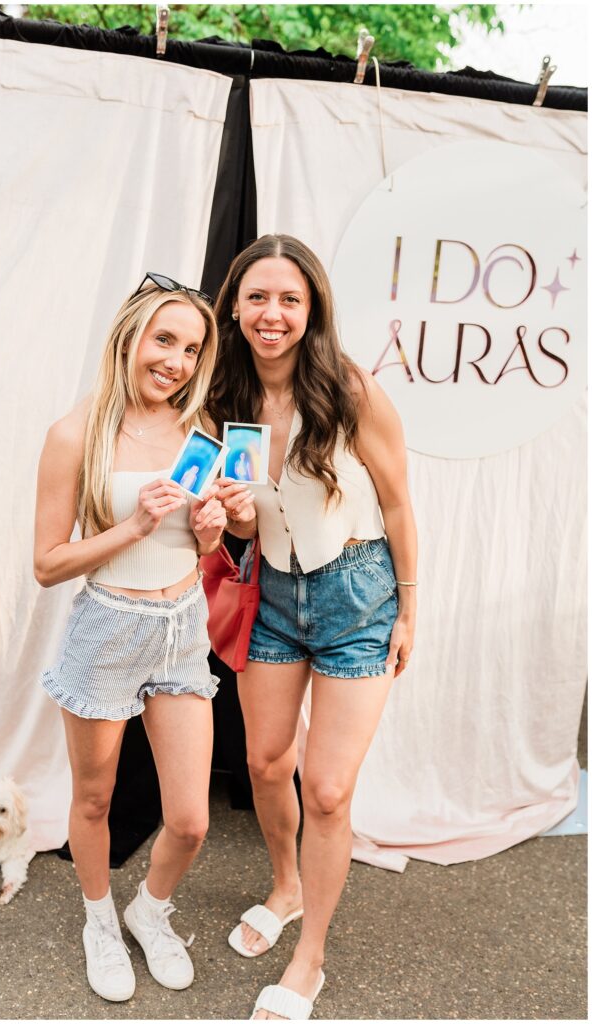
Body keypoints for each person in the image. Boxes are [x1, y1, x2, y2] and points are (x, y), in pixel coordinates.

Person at [207, 235, 417, 1021]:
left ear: (312, 310)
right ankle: (286, 886)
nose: (273, 313)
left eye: (289, 299)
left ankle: (310, 958)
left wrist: (409, 607)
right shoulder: (220, 397)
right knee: (266, 764)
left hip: (355, 595)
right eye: (258, 297)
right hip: (270, 594)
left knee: (327, 791)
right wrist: (229, 520)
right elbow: (232, 525)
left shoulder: (351, 389)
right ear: (234, 306)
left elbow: (396, 503)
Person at [34, 273, 226, 1003]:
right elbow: (48, 564)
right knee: (95, 800)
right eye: (164, 340)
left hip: (182, 630)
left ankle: (149, 910)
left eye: (191, 349)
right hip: (108, 629)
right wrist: (134, 525)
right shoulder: (74, 434)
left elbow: (203, 546)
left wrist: (209, 533)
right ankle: (100, 923)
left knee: (190, 818)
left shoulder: (201, 434)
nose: (176, 361)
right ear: (129, 337)